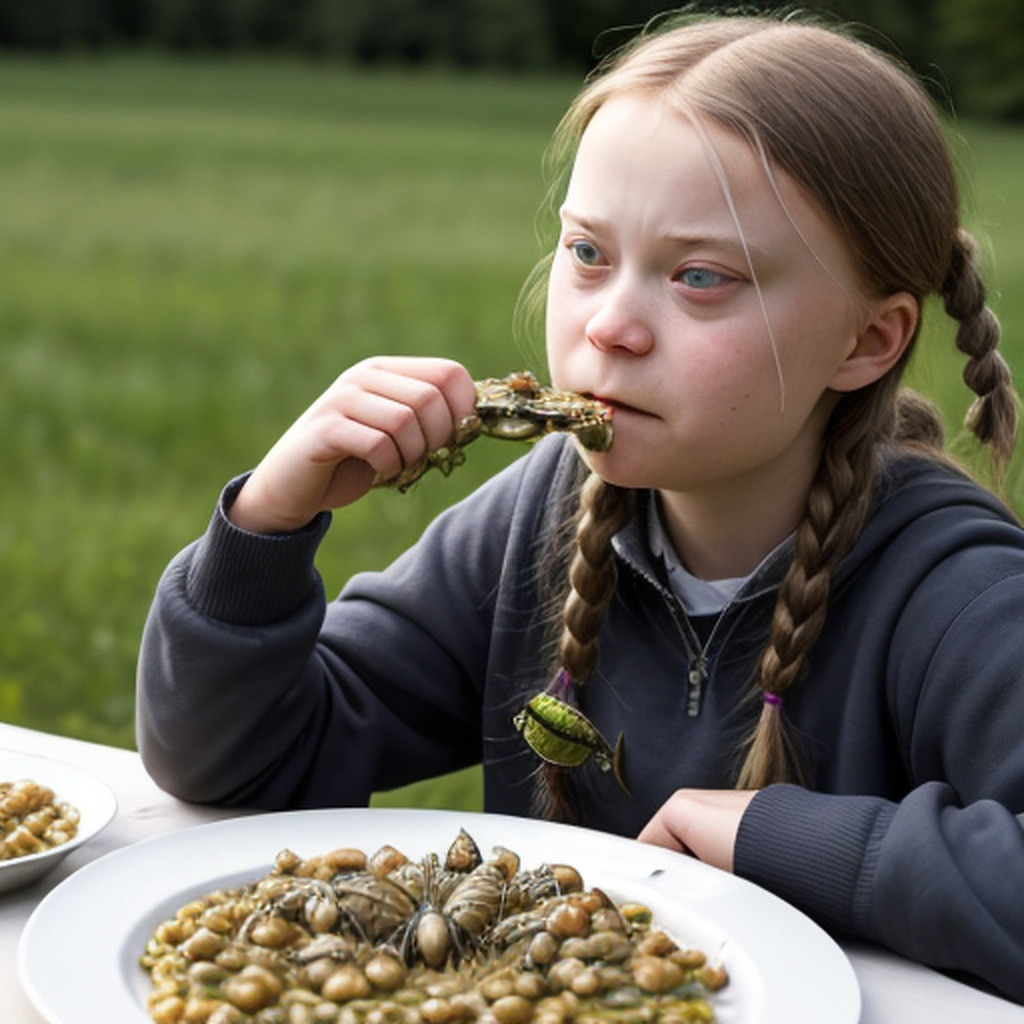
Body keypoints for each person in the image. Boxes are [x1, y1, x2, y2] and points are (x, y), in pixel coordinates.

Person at [136, 10, 1024, 1002]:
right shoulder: (542, 517)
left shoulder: (953, 586)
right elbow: (233, 762)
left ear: (867, 340)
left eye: (698, 278)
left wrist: (782, 837)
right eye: (588, 254)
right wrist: (266, 524)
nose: (609, 326)